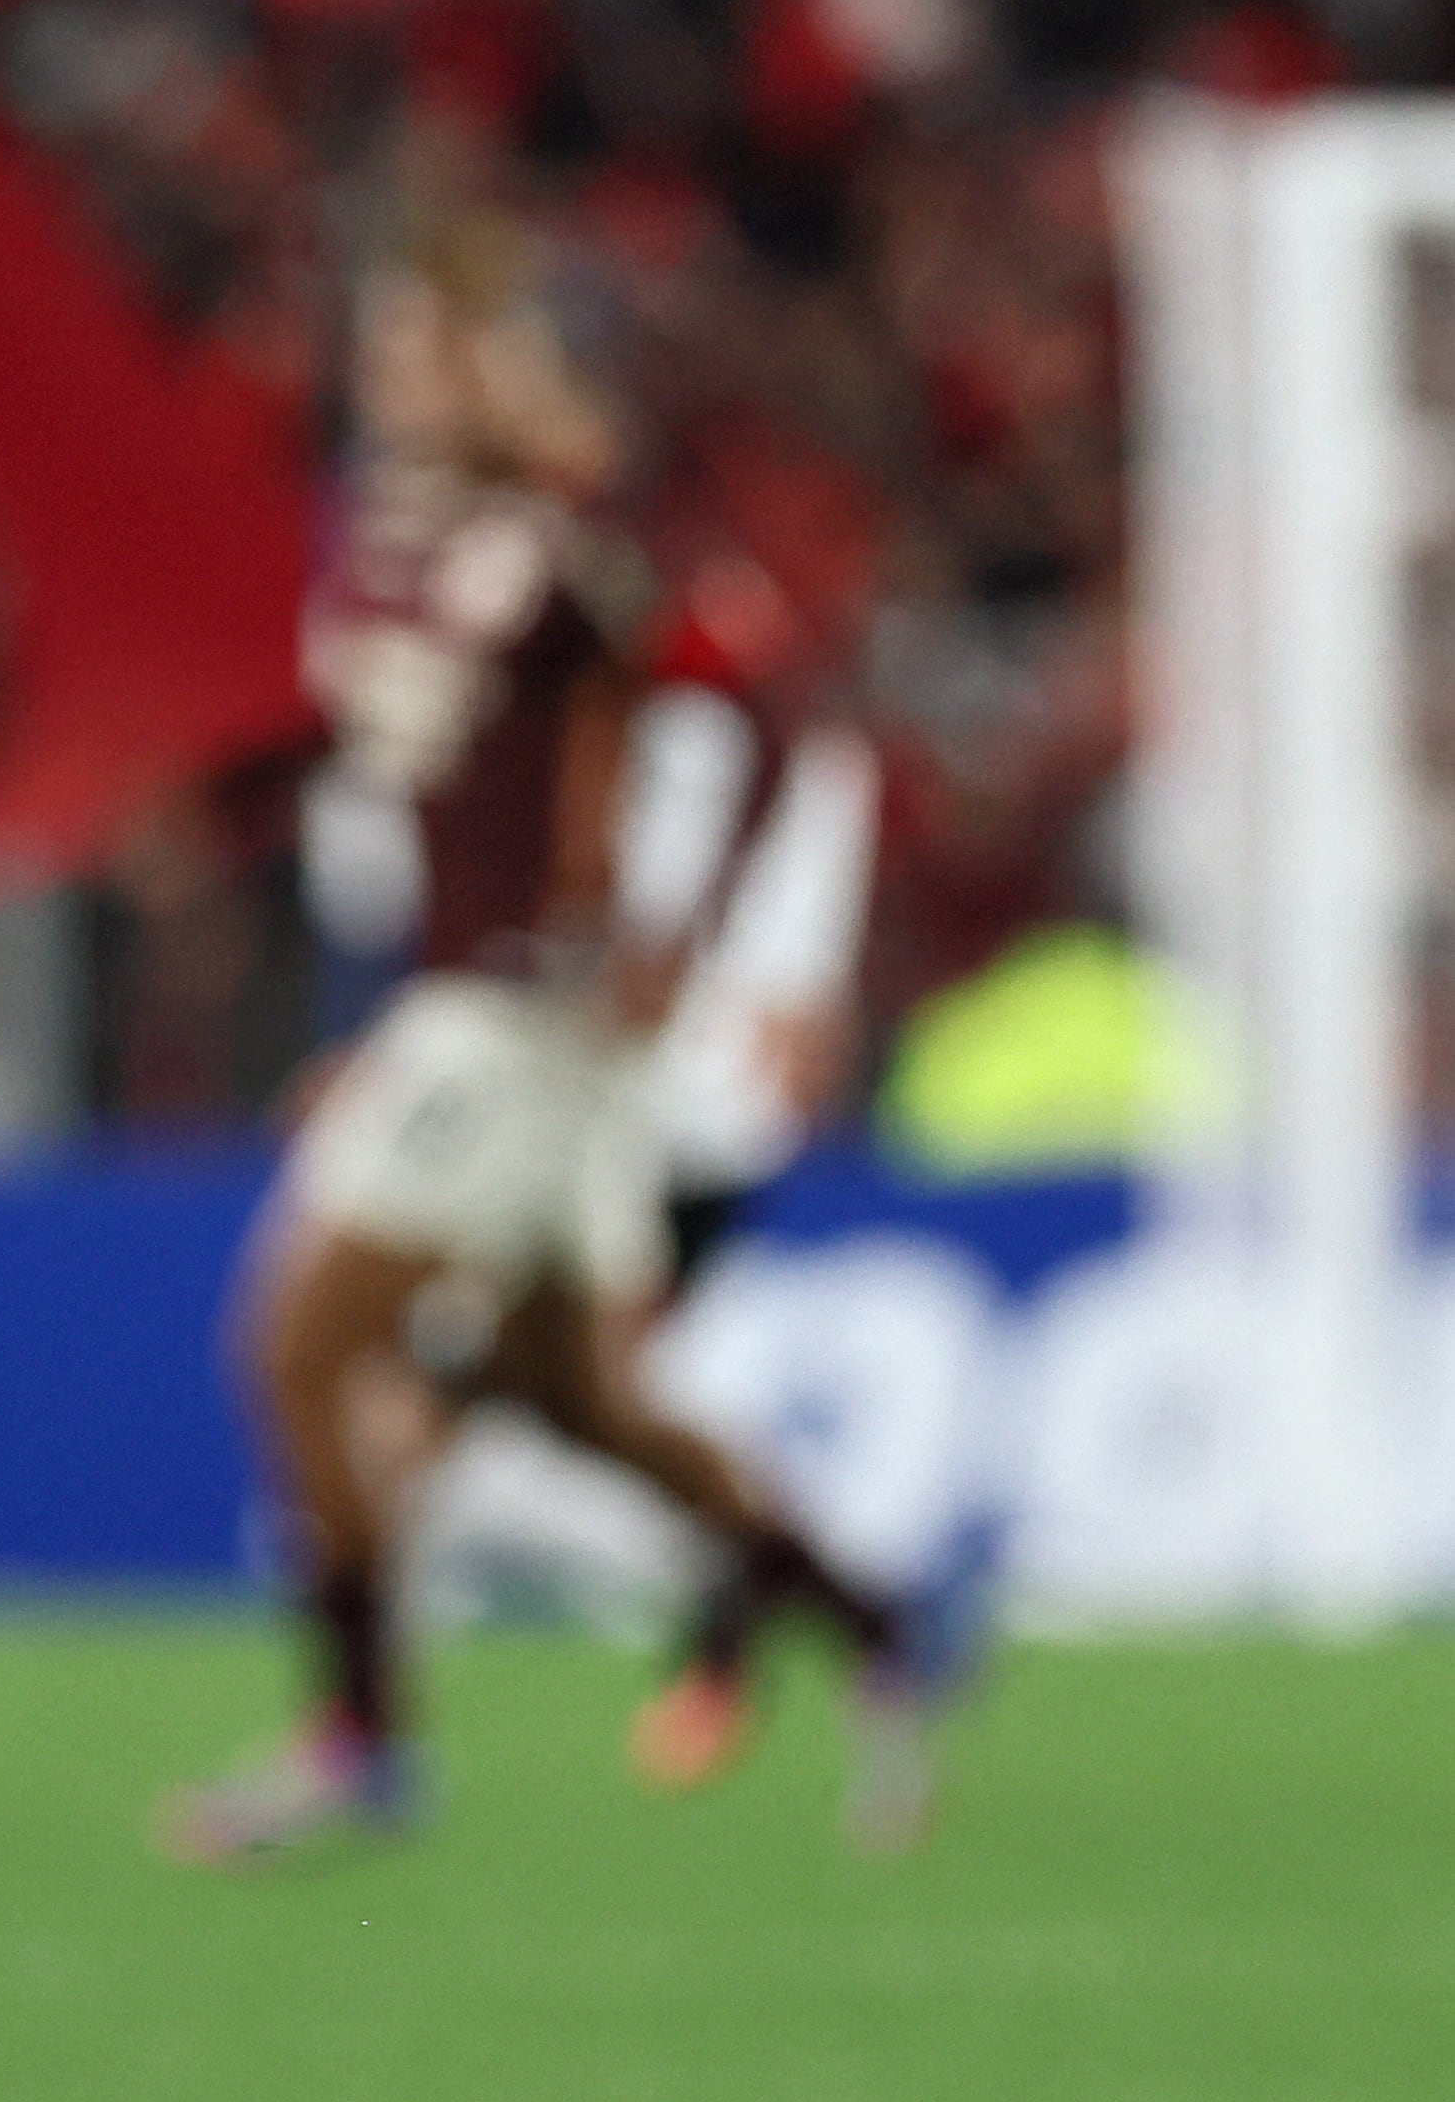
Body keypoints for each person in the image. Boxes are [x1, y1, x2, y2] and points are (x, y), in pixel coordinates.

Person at [164, 218, 931, 1866]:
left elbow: (778, 706)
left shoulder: (564, 550)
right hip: (495, 1013)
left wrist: (705, 934)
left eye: (419, 346)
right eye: (380, 349)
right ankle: (876, 1629)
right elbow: (387, 770)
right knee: (580, 1399)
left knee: (298, 1345)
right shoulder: (398, 543)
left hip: (518, 1012)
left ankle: (361, 1737)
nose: (388, 379)